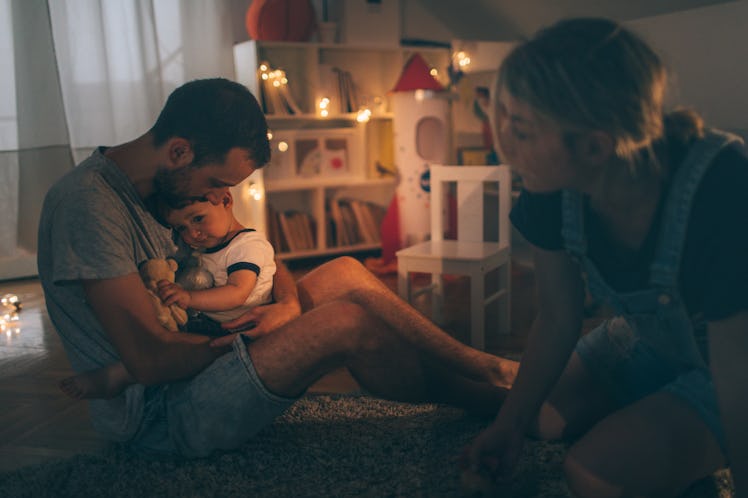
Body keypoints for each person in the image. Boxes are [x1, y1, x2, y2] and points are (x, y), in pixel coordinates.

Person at [38, 77, 516, 459]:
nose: (220, 197)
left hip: (210, 344)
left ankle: (489, 370)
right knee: (344, 322)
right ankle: (497, 405)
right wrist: (261, 335)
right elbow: (150, 361)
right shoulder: (89, 206)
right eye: (218, 182)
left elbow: (257, 252)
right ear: (180, 151)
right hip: (164, 412)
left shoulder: (178, 185)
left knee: (345, 272)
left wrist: (286, 304)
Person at [465, 18, 748, 497]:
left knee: (593, 472)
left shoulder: (721, 184)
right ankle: (663, 432)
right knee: (536, 415)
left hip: (733, 355)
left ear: (595, 145)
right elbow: (558, 314)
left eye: (524, 130)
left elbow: (736, 374)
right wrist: (509, 425)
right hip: (645, 341)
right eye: (504, 118)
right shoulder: (549, 182)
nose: (504, 143)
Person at [58, 189, 276, 399]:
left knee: (183, 353)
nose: (192, 234)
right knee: (164, 341)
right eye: (181, 228)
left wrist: (189, 298)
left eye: (198, 219)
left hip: (243, 329)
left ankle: (121, 374)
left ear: (226, 200)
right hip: (211, 322)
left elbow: (237, 292)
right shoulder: (208, 246)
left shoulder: (247, 245)